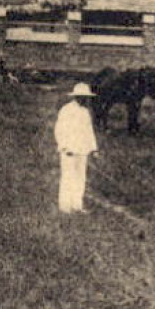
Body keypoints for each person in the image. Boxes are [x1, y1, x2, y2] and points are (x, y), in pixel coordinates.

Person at [55, 83, 99, 213]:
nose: (85, 99)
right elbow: (59, 130)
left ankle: (77, 205)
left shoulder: (85, 112)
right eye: (82, 97)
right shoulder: (66, 110)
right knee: (68, 176)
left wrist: (93, 148)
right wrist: (64, 147)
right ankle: (65, 206)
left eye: (86, 97)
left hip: (82, 149)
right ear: (76, 97)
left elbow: (89, 131)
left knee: (80, 177)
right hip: (69, 150)